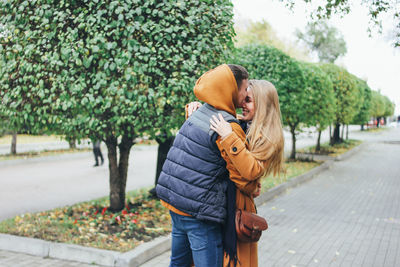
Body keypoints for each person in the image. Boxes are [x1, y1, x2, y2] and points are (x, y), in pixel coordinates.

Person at [156, 64, 252, 266]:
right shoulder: (228, 126)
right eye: (244, 89)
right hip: (199, 214)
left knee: (178, 264)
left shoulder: (201, 113)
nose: (246, 94)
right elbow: (242, 174)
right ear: (232, 90)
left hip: (176, 206)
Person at [209, 80, 284, 267]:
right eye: (244, 99)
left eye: (248, 100)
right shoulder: (241, 123)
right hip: (223, 199)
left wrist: (228, 137)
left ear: (263, 104)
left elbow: (250, 171)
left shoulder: (270, 138)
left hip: (239, 206)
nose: (243, 104)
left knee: (234, 260)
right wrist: (193, 109)